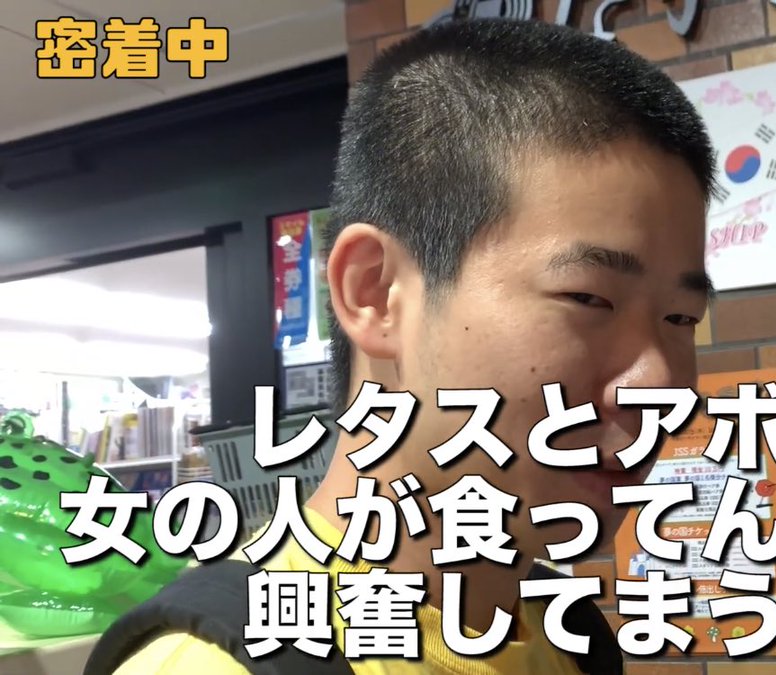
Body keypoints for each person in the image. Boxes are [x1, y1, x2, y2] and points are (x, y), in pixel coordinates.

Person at [91, 16, 715, 675]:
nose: (659, 389)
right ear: (376, 292)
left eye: (681, 317)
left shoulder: (570, 633)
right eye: (589, 298)